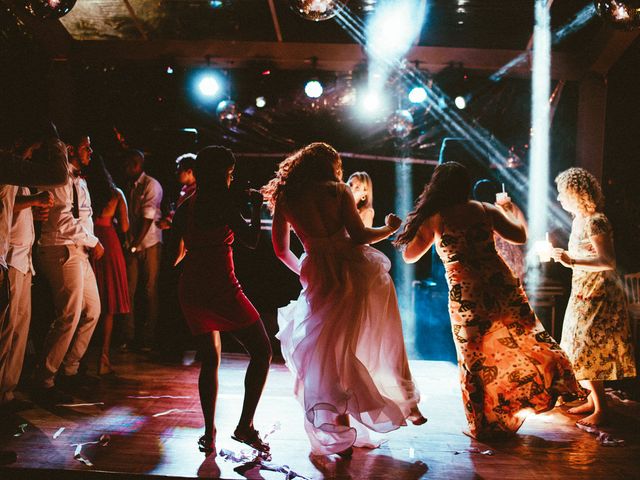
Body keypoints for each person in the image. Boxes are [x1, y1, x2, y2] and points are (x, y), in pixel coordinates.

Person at [395, 161, 584, 441]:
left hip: (467, 292)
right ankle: (555, 380)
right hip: (500, 285)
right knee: (526, 337)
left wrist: (417, 230)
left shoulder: (436, 218)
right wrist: (510, 211)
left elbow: (409, 256)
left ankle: (483, 425)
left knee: (474, 358)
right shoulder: (485, 210)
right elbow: (520, 236)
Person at [263, 142, 425, 457]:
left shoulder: (287, 196)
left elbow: (281, 250)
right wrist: (389, 228)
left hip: (318, 272)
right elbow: (360, 235)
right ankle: (375, 409)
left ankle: (337, 426)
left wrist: (304, 270)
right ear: (330, 166)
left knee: (324, 348)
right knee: (351, 345)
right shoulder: (338, 191)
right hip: (352, 269)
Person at [168, 146, 272, 454]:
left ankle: (209, 432)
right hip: (222, 287)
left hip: (192, 288)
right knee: (262, 351)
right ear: (220, 175)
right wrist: (255, 208)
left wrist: (196, 246)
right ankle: (244, 426)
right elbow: (252, 241)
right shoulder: (226, 202)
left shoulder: (187, 206)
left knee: (209, 360)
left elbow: (173, 258)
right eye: (228, 174)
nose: (231, 179)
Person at [552, 167, 636, 429]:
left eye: (562, 193)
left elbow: (608, 261)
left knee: (589, 348)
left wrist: (571, 259)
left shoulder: (596, 221)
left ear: (575, 193)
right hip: (583, 291)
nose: (559, 199)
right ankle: (592, 399)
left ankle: (602, 409)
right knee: (575, 347)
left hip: (599, 295)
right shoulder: (579, 220)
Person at [0, 124, 67, 411]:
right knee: (7, 333)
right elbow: (58, 176)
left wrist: (33, 207)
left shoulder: (15, 169)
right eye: (34, 149)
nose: (34, 155)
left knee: (17, 332)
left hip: (18, 257)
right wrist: (55, 142)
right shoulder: (6, 162)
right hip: (9, 256)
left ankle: (7, 394)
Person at [35, 131, 104, 404]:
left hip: (79, 250)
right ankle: (44, 379)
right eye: (87, 147)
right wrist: (95, 241)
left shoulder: (79, 179)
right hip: (61, 248)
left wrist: (89, 243)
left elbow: (83, 216)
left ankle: (70, 369)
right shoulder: (59, 176)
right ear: (72, 149)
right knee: (69, 316)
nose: (91, 152)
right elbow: (64, 221)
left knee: (93, 310)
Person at [85, 155, 130, 375]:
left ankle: (80, 359)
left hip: (90, 240)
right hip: (109, 243)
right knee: (109, 305)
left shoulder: (86, 190)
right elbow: (124, 226)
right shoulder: (117, 193)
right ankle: (103, 358)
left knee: (85, 303)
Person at [122, 149, 163, 352]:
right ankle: (129, 337)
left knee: (149, 291)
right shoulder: (130, 186)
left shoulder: (151, 185)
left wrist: (136, 244)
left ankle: (149, 338)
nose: (126, 168)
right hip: (133, 243)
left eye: (131, 164)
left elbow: (147, 218)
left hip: (150, 243)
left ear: (139, 165)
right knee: (128, 290)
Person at [472, 179, 528, 281]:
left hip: (491, 259)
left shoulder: (476, 213)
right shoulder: (511, 207)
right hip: (513, 258)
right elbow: (526, 233)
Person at [156, 153, 197, 231]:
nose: (176, 173)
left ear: (189, 171)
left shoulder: (195, 192)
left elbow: (190, 220)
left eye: (179, 170)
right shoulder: (185, 189)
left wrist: (170, 223)